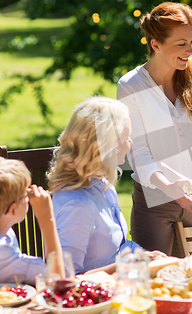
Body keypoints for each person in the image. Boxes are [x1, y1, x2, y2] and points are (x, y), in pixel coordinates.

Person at [117, 2, 192, 255]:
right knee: (155, 280)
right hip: (155, 200)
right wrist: (170, 188)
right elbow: (138, 152)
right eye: (181, 44)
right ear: (155, 44)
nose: (190, 51)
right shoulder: (131, 86)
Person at [47, 96, 164, 275]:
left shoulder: (102, 185)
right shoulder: (77, 203)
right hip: (96, 297)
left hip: (121, 284)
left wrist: (147, 255)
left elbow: (120, 247)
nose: (130, 143)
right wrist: (128, 264)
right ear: (107, 145)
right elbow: (65, 278)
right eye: (126, 137)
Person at [0, 155, 63, 287]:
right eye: (25, 195)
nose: (29, 197)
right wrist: (47, 218)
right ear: (12, 210)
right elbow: (58, 280)